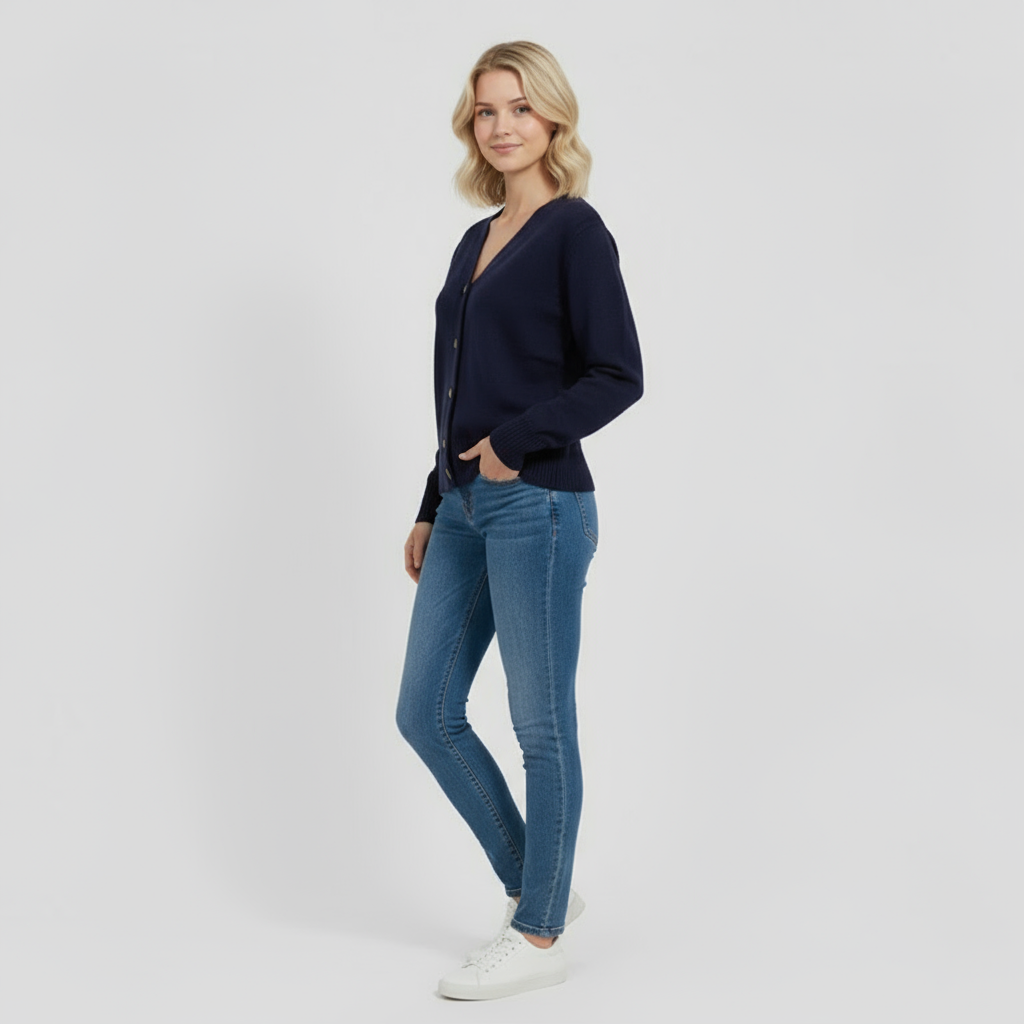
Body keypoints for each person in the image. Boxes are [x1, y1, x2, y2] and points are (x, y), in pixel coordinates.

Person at [396, 40, 643, 1001]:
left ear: (553, 118)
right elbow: (458, 388)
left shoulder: (575, 231)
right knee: (425, 712)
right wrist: (433, 502)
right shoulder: (477, 239)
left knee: (540, 723)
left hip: (539, 501)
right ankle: (541, 885)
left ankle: (538, 935)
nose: (501, 126)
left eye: (519, 108)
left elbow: (617, 375)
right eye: (486, 110)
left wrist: (512, 445)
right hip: (462, 506)